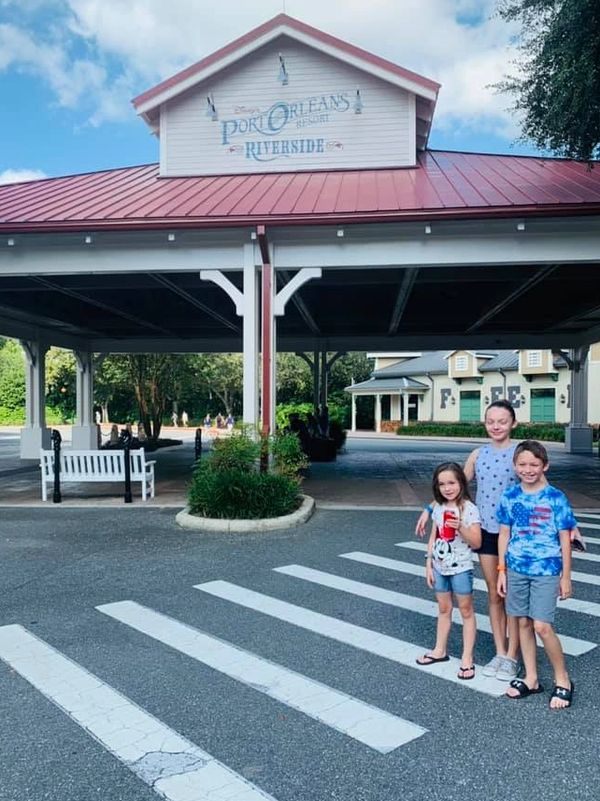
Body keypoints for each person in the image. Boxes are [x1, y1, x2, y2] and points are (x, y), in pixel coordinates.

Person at [415, 400, 584, 681]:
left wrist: (572, 525)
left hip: (516, 536)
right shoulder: (477, 454)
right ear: (485, 423)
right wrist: (429, 508)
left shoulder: (520, 454)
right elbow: (454, 485)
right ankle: (500, 650)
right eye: (490, 421)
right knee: (495, 593)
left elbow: (541, 486)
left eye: (502, 421)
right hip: (486, 532)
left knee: (510, 596)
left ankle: (513, 655)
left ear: (513, 423)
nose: (496, 426)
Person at [496, 440, 574, 709]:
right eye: (522, 464)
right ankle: (531, 678)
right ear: (515, 466)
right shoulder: (509, 496)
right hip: (516, 568)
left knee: (542, 625)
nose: (528, 469)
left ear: (545, 466)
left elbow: (565, 538)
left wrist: (565, 576)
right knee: (522, 623)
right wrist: (502, 570)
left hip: (546, 569)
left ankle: (563, 680)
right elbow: (504, 533)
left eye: (534, 464)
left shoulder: (556, 498)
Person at [416, 462, 482, 679]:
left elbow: (477, 542)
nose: (447, 488)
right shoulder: (438, 507)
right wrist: (428, 563)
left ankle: (467, 658)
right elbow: (433, 536)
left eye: (452, 482)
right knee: (444, 609)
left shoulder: (469, 509)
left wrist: (459, 526)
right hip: (439, 566)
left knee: (466, 611)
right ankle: (439, 650)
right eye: (442, 484)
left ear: (461, 483)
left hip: (461, 568)